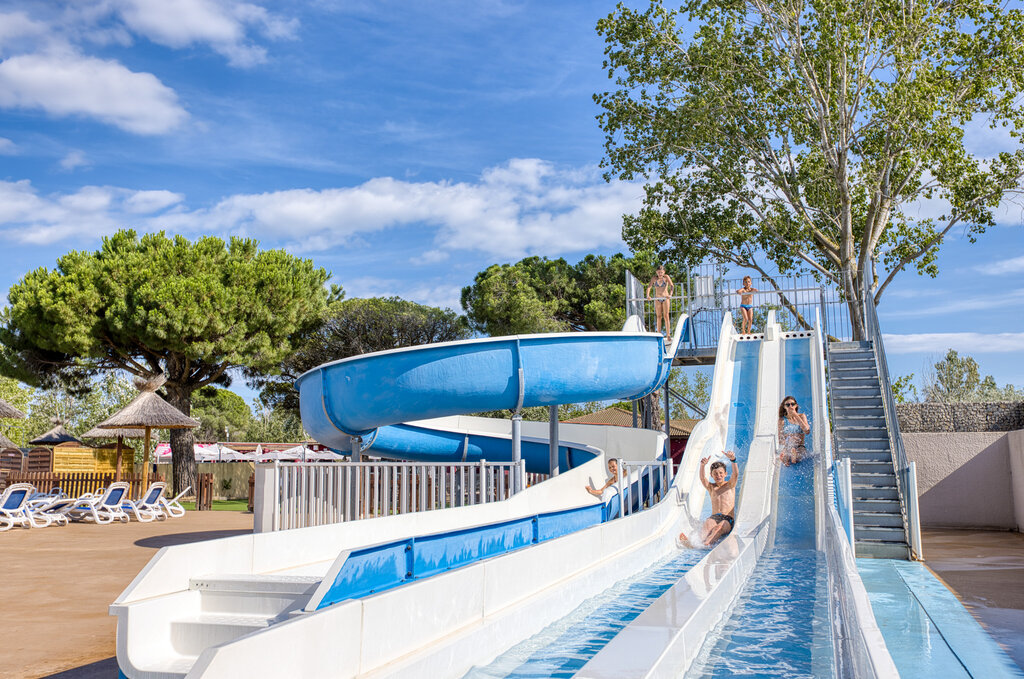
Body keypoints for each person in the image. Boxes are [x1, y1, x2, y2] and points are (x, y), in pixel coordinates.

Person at [678, 450, 739, 547]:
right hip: (714, 517)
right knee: (707, 525)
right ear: (711, 475)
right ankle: (696, 544)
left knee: (718, 528)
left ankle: (707, 543)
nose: (718, 476)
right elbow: (702, 479)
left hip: (727, 519)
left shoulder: (730, 485)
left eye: (720, 473)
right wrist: (702, 466)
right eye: (715, 474)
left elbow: (735, 474)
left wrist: (733, 460)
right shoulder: (711, 487)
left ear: (725, 474)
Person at [778, 396, 811, 465]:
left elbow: (807, 431)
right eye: (787, 405)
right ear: (784, 407)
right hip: (788, 445)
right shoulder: (782, 420)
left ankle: (794, 457)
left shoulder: (802, 416)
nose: (790, 406)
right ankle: (787, 457)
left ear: (796, 405)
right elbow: (780, 439)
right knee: (788, 446)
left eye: (792, 404)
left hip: (800, 445)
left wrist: (795, 415)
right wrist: (789, 437)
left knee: (801, 453)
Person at [646, 265, 675, 343]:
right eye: (658, 272)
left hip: (665, 298)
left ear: (664, 272)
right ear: (656, 272)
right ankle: (659, 333)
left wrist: (670, 294)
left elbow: (672, 285)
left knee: (666, 316)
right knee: (658, 316)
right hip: (657, 299)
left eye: (661, 272)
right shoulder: (654, 278)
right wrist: (648, 295)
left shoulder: (666, 277)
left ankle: (668, 335)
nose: (660, 274)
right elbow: (649, 287)